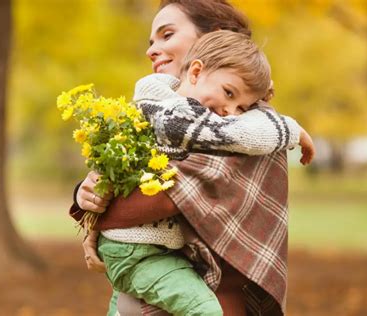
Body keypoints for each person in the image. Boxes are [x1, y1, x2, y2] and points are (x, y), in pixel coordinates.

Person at [71, 1, 316, 315]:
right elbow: (131, 176)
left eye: (167, 34)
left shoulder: (247, 126)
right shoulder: (172, 110)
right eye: (151, 41)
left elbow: (154, 201)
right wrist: (86, 193)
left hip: (213, 301)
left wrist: (101, 218)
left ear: (212, 38)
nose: (152, 50)